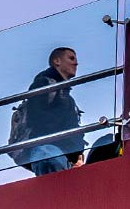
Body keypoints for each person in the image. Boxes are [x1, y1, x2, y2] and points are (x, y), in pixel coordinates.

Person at [12, 47, 85, 175]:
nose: (76, 63)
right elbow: (38, 119)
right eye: (71, 58)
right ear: (57, 61)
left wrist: (76, 153)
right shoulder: (44, 84)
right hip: (49, 150)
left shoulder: (65, 94)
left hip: (62, 153)